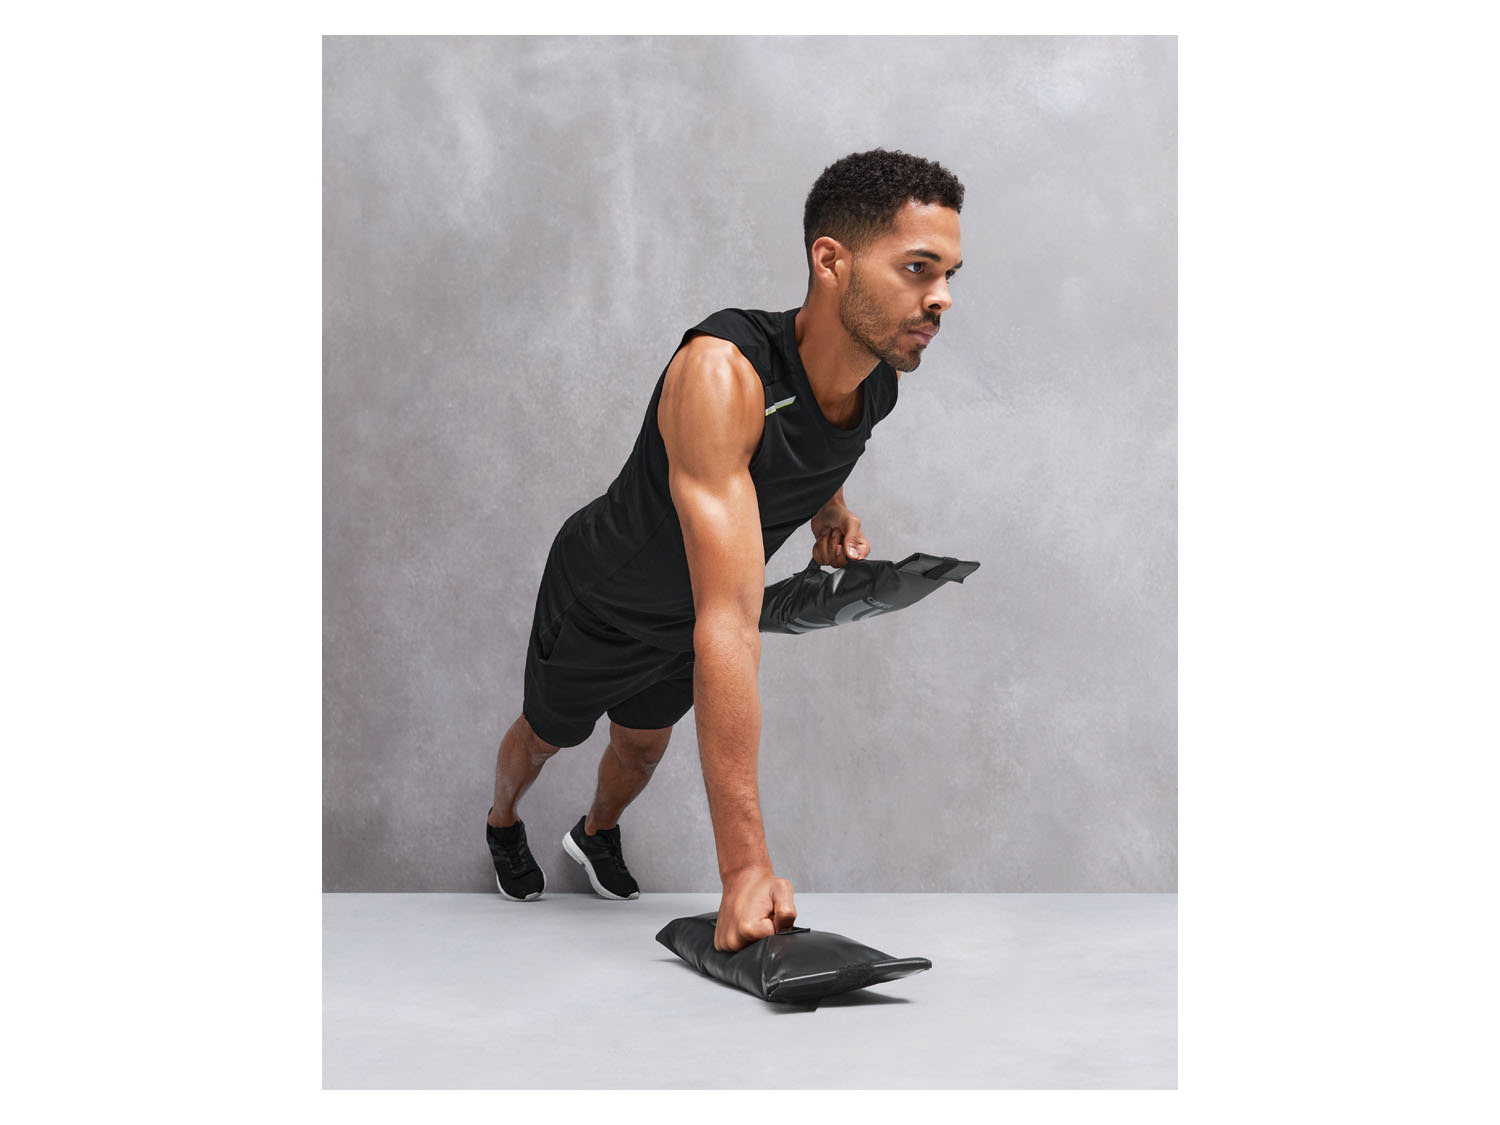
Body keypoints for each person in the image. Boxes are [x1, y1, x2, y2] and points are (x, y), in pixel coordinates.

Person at [486, 148, 964, 953]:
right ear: (830, 261)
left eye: (949, 273)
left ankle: (594, 833)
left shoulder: (876, 381)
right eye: (919, 268)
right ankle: (503, 821)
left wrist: (830, 509)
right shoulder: (721, 375)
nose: (942, 296)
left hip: (691, 616)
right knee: (545, 736)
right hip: (605, 598)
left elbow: (816, 449)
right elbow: (731, 628)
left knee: (640, 749)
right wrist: (746, 871)